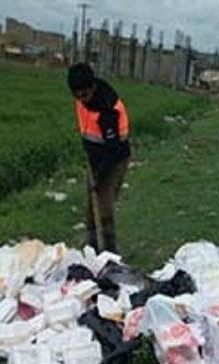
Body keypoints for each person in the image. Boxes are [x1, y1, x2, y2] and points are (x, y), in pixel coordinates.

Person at [67, 63, 131, 254]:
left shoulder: (107, 109)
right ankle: (92, 248)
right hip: (95, 157)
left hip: (114, 159)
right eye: (77, 96)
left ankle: (109, 253)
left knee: (104, 207)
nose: (81, 101)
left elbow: (113, 151)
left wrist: (99, 176)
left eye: (84, 95)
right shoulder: (83, 98)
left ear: (93, 87)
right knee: (91, 206)